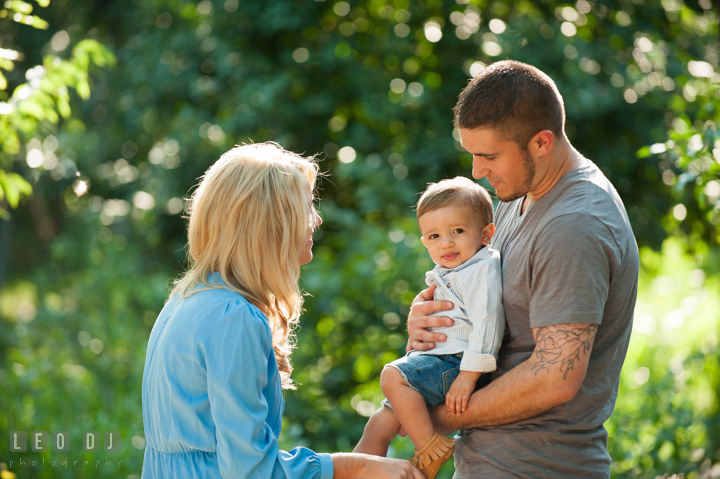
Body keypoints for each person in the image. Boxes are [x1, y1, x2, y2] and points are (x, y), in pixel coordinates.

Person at [406, 60, 640, 478]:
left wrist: (437, 417)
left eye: (489, 156)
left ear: (541, 143)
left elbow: (555, 377)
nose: (477, 171)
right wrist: (433, 320)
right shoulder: (518, 195)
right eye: (473, 155)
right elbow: (492, 309)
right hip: (488, 460)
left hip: (538, 465)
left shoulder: (574, 224)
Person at [141, 142, 423, 479]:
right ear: (268, 222)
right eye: (305, 208)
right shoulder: (233, 317)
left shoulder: (187, 299)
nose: (317, 219)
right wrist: (357, 466)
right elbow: (252, 471)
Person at [354, 177, 505, 479]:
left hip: (458, 364)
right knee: (379, 425)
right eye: (434, 236)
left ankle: (429, 448)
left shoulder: (480, 269)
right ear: (424, 241)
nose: (446, 243)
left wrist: (468, 375)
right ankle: (356, 471)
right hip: (440, 363)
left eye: (458, 231)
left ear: (486, 233)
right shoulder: (452, 270)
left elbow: (488, 323)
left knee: (391, 375)